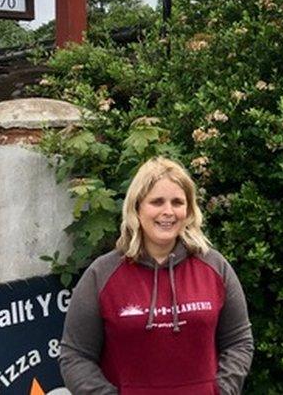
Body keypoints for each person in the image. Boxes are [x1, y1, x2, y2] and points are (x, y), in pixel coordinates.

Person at [60, 156, 254, 394]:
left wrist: (221, 391)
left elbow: (239, 342)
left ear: (189, 210)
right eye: (157, 202)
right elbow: (75, 355)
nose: (168, 212)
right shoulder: (102, 275)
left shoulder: (215, 267)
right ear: (137, 208)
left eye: (177, 202)